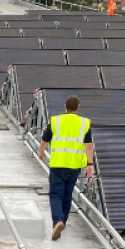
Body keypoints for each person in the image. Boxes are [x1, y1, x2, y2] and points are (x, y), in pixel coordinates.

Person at [37, 95, 93, 241]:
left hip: (58, 164)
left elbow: (44, 141)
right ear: (77, 108)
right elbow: (89, 146)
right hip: (74, 167)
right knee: (67, 195)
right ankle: (63, 222)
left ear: (65, 107)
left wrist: (41, 152)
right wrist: (90, 165)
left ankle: (57, 221)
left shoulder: (56, 121)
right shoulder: (84, 123)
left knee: (55, 194)